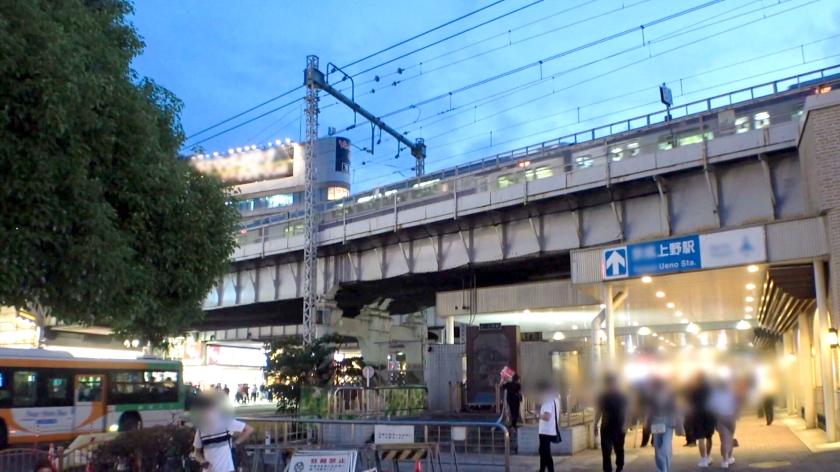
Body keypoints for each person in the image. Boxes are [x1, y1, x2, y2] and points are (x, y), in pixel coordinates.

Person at [192, 393, 254, 472]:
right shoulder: (201, 429)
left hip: (226, 469)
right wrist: (203, 462)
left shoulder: (226, 422)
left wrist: (235, 443)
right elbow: (196, 453)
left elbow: (249, 429)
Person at [593, 374, 628, 472]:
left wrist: (627, 424)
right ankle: (607, 469)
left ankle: (619, 466)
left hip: (619, 426)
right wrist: (595, 424)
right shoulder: (603, 397)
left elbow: (627, 411)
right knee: (606, 450)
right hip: (606, 427)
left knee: (619, 449)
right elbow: (599, 411)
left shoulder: (622, 396)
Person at [647, 377, 679, 472]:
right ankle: (661, 469)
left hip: (668, 422)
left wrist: (678, 423)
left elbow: (677, 409)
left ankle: (664, 469)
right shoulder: (652, 395)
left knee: (665, 446)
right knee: (658, 446)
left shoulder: (672, 395)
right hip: (656, 422)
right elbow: (649, 410)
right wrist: (647, 421)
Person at [687, 372, 716, 468]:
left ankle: (703, 460)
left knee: (700, 438)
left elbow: (689, 401)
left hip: (697, 415)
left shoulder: (692, 388)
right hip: (709, 414)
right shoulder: (710, 388)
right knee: (709, 437)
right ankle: (708, 456)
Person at [708, 379, 738, 468]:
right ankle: (730, 457)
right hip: (731, 417)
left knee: (723, 440)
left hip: (720, 417)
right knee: (730, 437)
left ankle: (725, 460)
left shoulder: (716, 394)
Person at [537, 380, 561, 472]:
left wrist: (538, 415)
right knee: (543, 452)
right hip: (551, 429)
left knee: (545, 453)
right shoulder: (555, 400)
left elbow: (547, 417)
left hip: (545, 431)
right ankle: (542, 469)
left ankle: (550, 470)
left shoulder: (547, 401)